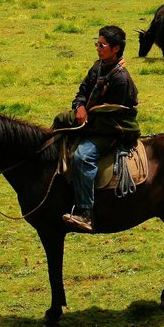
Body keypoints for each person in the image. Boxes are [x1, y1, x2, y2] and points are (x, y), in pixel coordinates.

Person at [61, 26, 140, 232]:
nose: (98, 48)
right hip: (92, 122)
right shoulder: (97, 67)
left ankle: (85, 212)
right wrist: (79, 108)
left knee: (82, 156)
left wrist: (85, 122)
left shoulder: (120, 79)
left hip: (112, 130)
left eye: (102, 45)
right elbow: (82, 92)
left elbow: (111, 115)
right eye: (97, 44)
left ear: (115, 49)